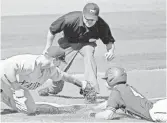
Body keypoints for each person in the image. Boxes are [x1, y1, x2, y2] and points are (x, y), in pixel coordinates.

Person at [38, 2, 115, 97]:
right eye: (87, 19)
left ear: (97, 18)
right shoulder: (69, 19)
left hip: (86, 43)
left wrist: (110, 51)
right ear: (83, 14)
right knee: (59, 69)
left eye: (92, 20)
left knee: (89, 56)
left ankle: (91, 90)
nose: (89, 22)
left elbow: (109, 42)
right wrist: (47, 47)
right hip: (68, 43)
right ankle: (53, 89)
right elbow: (52, 31)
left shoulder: (102, 25)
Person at [0, 46, 96, 115]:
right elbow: (8, 69)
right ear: (55, 60)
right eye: (60, 61)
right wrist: (16, 88)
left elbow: (65, 77)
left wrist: (82, 84)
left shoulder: (50, 70)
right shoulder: (31, 63)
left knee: (30, 110)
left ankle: (3, 96)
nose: (60, 64)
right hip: (2, 76)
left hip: (10, 85)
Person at [89, 67, 167, 122]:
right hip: (159, 107)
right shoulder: (125, 88)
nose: (105, 82)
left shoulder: (116, 92)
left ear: (111, 79)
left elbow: (107, 115)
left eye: (106, 79)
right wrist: (94, 108)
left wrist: (94, 115)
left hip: (155, 112)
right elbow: (108, 103)